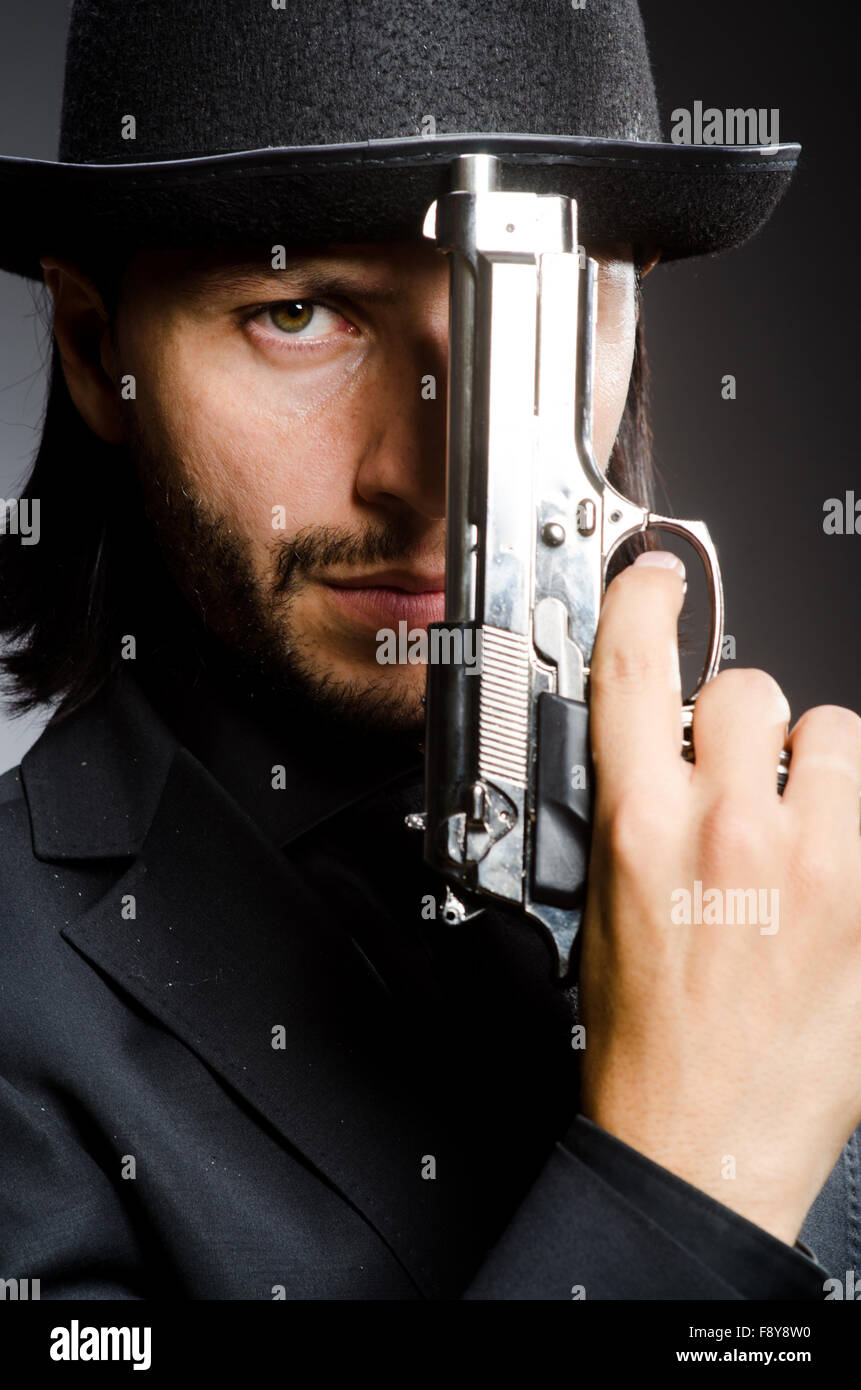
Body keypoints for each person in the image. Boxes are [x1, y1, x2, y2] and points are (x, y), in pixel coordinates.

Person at [0, 0, 858, 1301]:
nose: (430, 480)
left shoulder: (793, 887)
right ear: (91, 345)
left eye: (537, 321)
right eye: (300, 313)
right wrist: (686, 1179)